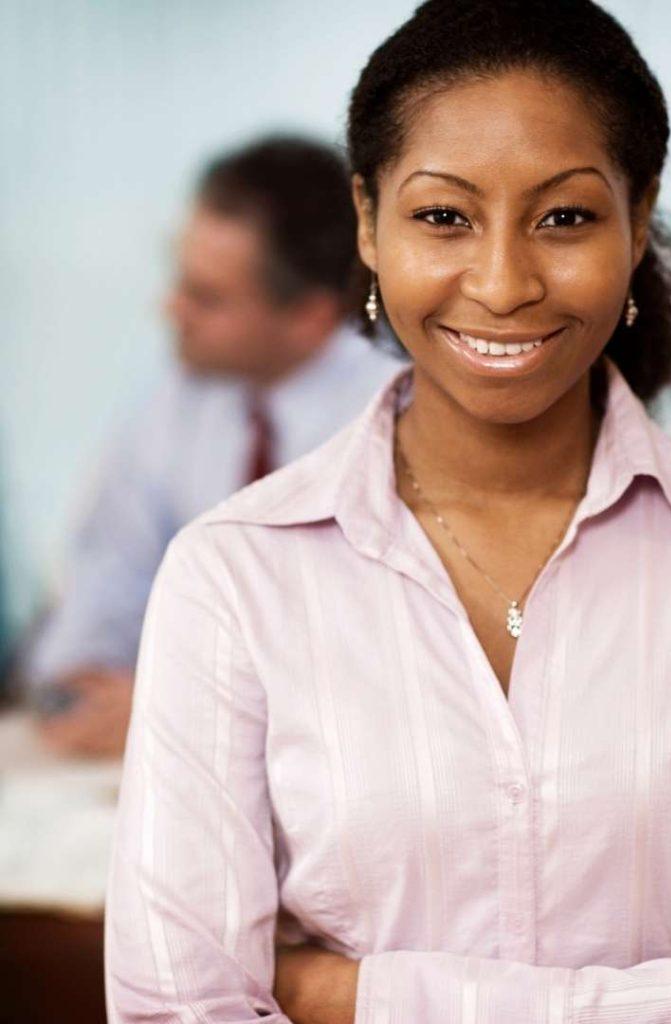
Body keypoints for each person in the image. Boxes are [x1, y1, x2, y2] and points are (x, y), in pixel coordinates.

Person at [104, 2, 671, 1020]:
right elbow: (175, 1008)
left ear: (637, 215)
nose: (501, 281)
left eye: (564, 217)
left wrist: (344, 995)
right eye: (443, 216)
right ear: (367, 222)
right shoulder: (231, 572)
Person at [17, 134, 405, 757]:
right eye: (181, 278)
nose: (170, 308)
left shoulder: (401, 419)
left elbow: (378, 660)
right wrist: (79, 681)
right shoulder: (180, 400)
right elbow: (109, 571)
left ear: (310, 315)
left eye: (207, 297)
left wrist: (179, 706)